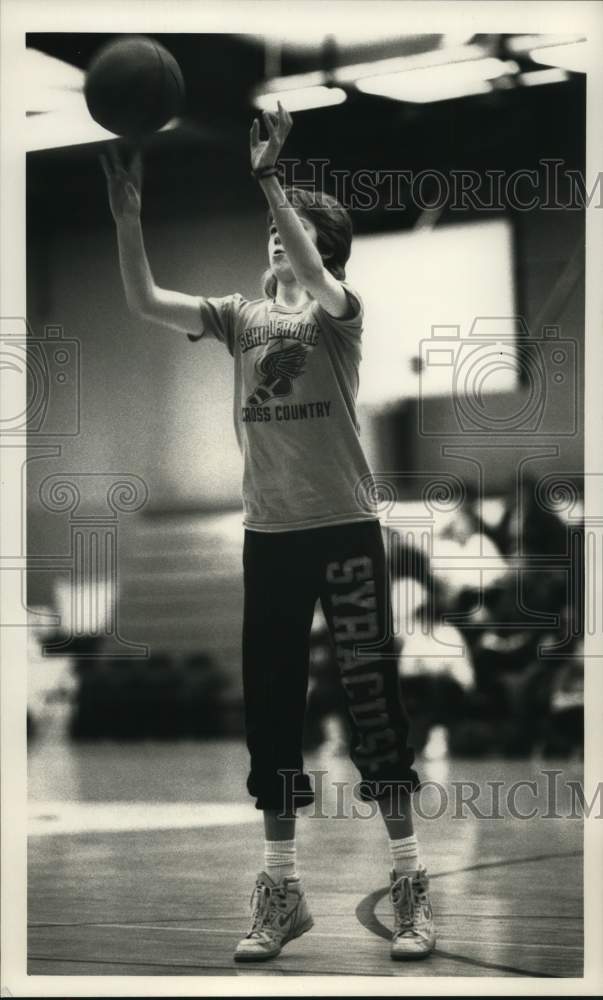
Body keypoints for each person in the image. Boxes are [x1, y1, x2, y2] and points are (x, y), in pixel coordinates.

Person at [100, 102, 435, 963]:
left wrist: (271, 180)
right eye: (274, 232)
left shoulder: (337, 313)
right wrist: (127, 221)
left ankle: (408, 879)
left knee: (373, 713)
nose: (277, 241)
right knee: (273, 716)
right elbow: (142, 298)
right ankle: (280, 888)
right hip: (271, 536)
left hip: (346, 530)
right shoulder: (239, 318)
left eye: (294, 233)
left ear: (321, 246)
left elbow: (321, 276)